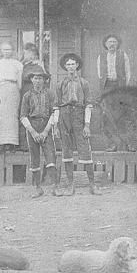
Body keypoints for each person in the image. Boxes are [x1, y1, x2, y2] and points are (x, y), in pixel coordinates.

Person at [50, 53, 101, 195]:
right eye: (68, 64)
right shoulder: (60, 85)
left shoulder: (84, 83)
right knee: (66, 150)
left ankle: (92, 185)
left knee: (85, 149)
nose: (71, 66)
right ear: (65, 67)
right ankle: (70, 185)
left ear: (77, 65)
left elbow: (88, 104)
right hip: (64, 117)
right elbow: (56, 106)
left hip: (79, 116)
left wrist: (87, 125)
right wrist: (56, 126)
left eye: (73, 64)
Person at [19, 66, 57, 197]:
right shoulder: (27, 96)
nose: (38, 81)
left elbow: (54, 113)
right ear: (31, 80)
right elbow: (23, 116)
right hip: (32, 126)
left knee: (50, 156)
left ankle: (54, 187)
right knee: (34, 157)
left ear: (44, 80)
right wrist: (33, 132)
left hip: (46, 125)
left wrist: (46, 131)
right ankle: (38, 188)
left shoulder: (50, 94)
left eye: (40, 78)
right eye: (35, 78)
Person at [0, 42, 23, 151]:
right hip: (0, 90)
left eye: (9, 49)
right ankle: (0, 143)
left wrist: (16, 90)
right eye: (5, 50)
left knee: (12, 116)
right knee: (0, 116)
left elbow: (20, 83)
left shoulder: (17, 64)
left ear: (12, 51)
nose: (7, 52)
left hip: (13, 90)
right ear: (1, 51)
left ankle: (12, 143)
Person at [18, 43, 46, 152]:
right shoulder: (23, 65)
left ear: (33, 54)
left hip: (34, 95)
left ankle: (33, 144)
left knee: (33, 118)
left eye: (28, 53)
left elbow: (39, 77)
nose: (26, 55)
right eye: (25, 53)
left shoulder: (37, 66)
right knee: (23, 117)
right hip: (23, 94)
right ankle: (23, 144)